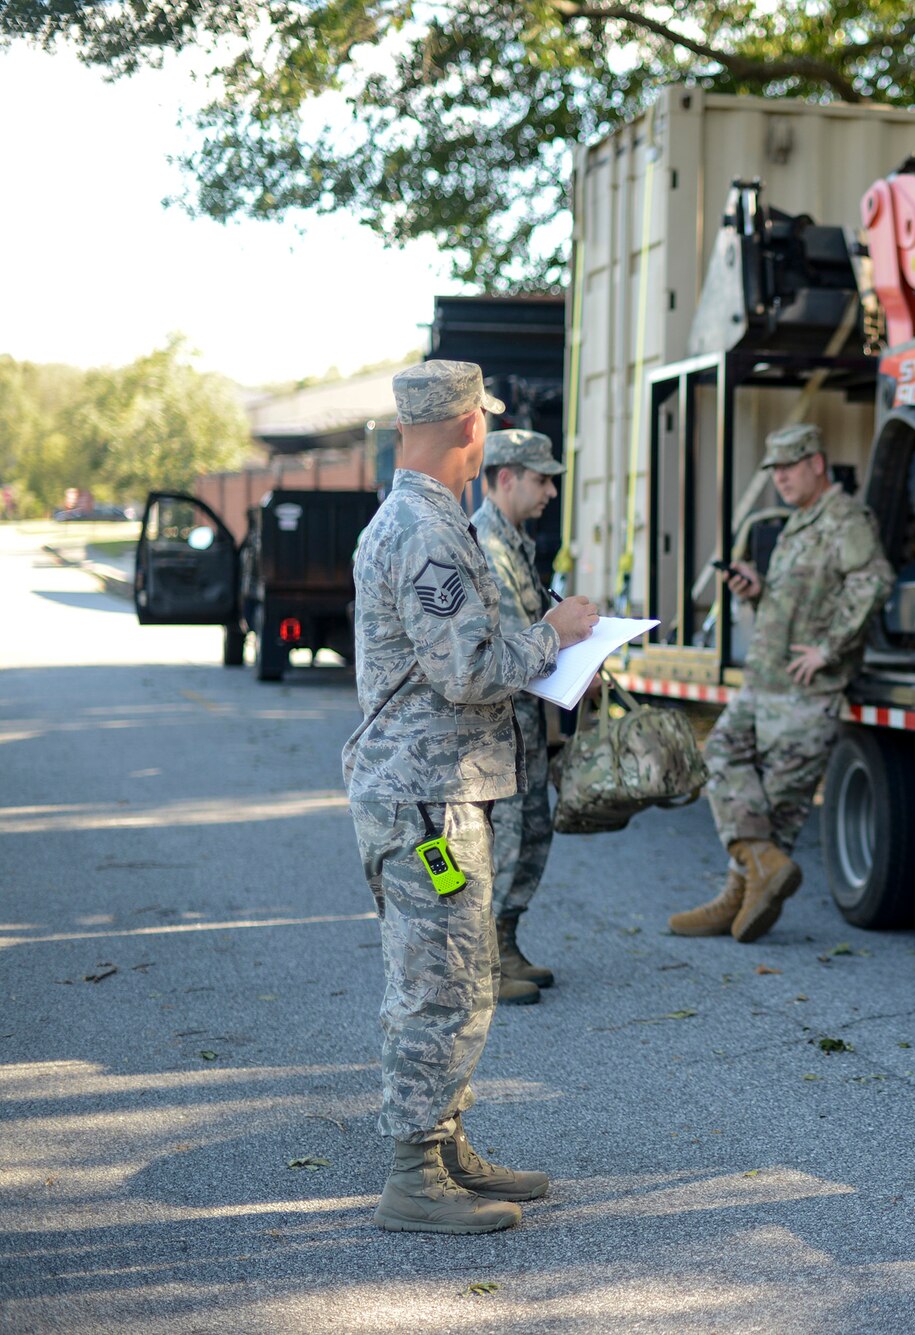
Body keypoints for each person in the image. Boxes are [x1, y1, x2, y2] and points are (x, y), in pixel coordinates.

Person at [344, 361, 598, 1235]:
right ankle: (414, 1174)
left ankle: (444, 1145)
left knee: (459, 974)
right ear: (468, 430)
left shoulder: (423, 518)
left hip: (435, 792)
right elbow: (470, 668)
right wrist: (554, 634)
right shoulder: (424, 528)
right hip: (425, 801)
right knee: (434, 986)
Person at [669, 423, 894, 943]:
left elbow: (874, 580)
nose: (781, 478)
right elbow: (799, 601)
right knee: (717, 755)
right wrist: (755, 591)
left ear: (818, 463)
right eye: (774, 470)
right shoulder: (799, 523)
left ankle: (741, 893)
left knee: (776, 803)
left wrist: (830, 649)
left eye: (790, 467)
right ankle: (756, 875)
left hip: (803, 694)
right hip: (763, 684)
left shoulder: (845, 519)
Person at [470, 429, 565, 1006]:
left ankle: (505, 942)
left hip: (523, 727)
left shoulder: (516, 544)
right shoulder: (486, 545)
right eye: (541, 478)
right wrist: (562, 639)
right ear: (506, 478)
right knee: (503, 838)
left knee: (531, 832)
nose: (551, 491)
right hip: (497, 732)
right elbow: (510, 644)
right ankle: (485, 961)